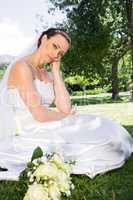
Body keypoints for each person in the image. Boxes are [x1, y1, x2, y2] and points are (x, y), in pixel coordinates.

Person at [0, 28, 133, 180]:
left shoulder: (48, 73)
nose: (56, 54)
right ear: (44, 39)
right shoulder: (22, 67)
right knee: (97, 140)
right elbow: (39, 114)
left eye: (61, 53)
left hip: (51, 122)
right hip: (33, 129)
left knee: (104, 126)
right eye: (55, 46)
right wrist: (66, 116)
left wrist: (56, 71)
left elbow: (65, 107)